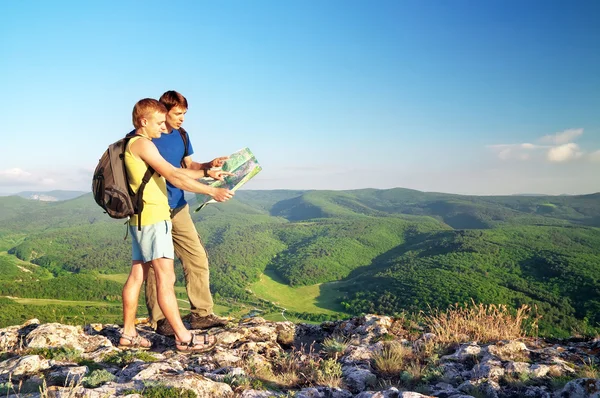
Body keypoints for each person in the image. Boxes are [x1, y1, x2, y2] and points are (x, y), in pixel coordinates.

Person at [119, 98, 234, 351]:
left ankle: (128, 334)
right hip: (153, 216)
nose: (163, 128)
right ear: (144, 121)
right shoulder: (143, 145)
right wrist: (210, 192)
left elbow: (177, 170)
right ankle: (184, 337)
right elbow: (172, 175)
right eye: (160, 122)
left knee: (138, 275)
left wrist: (206, 172)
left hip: (141, 218)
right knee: (165, 277)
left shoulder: (133, 144)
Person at [144, 90, 230, 336]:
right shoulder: (147, 138)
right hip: (153, 208)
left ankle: (201, 315)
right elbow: (173, 175)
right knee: (156, 267)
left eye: (184, 114)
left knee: (196, 257)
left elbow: (188, 166)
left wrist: (207, 166)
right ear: (163, 111)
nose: (182, 119)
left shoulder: (182, 135)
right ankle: (160, 321)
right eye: (178, 114)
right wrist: (210, 190)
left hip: (178, 206)